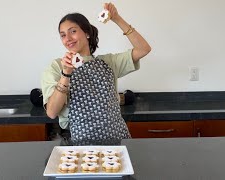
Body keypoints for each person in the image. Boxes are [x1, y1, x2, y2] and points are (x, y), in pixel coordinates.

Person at [41, 3, 151, 141]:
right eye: (63, 35)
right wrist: (66, 74)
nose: (67, 38)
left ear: (86, 33)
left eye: (73, 31)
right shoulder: (57, 67)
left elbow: (143, 49)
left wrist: (117, 18)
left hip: (118, 139)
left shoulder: (109, 62)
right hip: (81, 143)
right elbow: (52, 112)